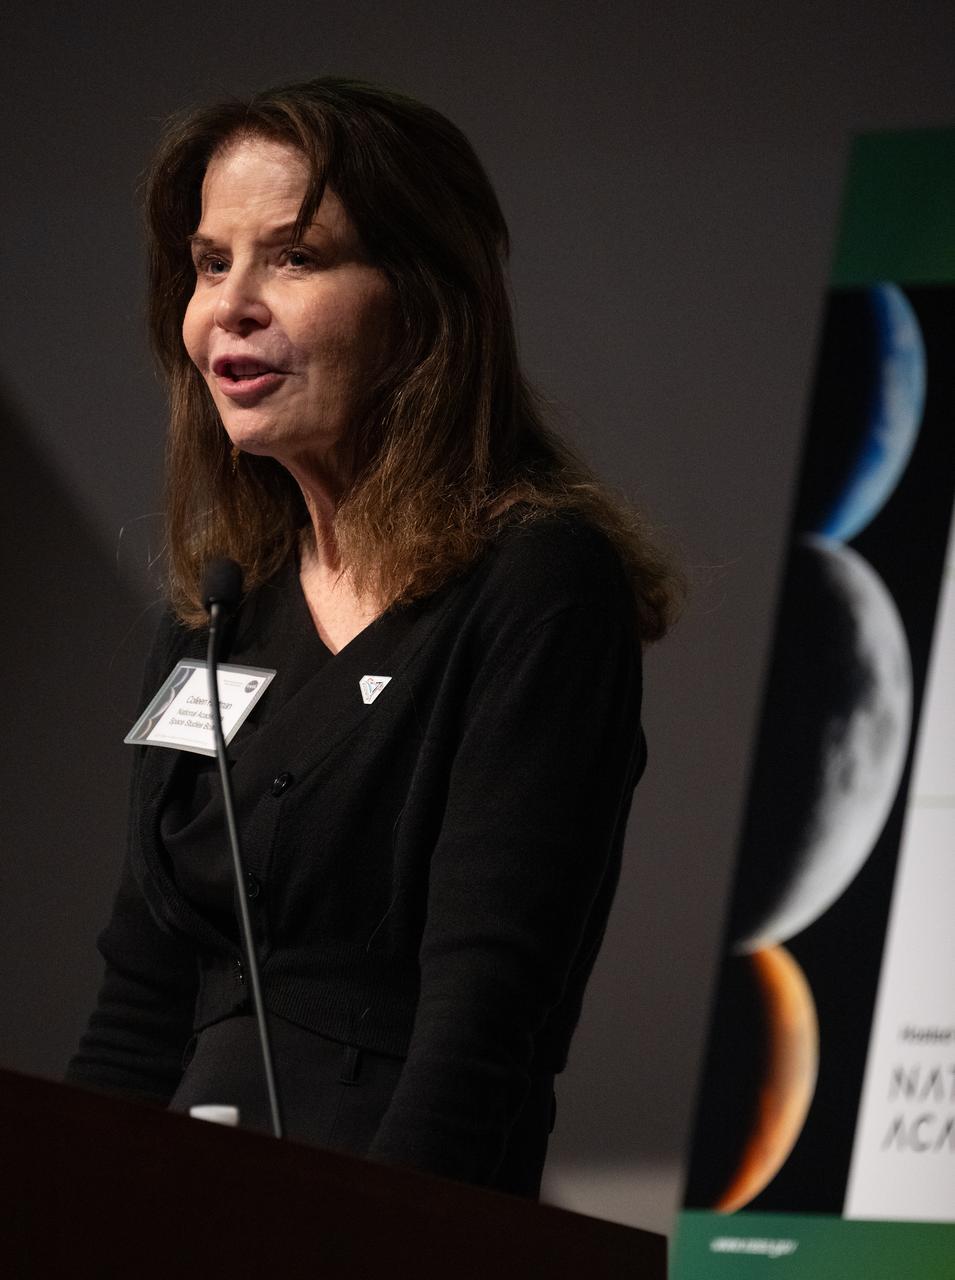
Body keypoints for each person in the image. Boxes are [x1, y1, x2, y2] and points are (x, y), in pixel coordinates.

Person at [67, 77, 681, 1197]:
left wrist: (375, 1245)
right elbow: (142, 993)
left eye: (294, 258)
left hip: (398, 1211)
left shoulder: (535, 585)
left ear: (421, 303)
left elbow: (484, 1014)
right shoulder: (214, 615)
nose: (231, 307)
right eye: (211, 264)